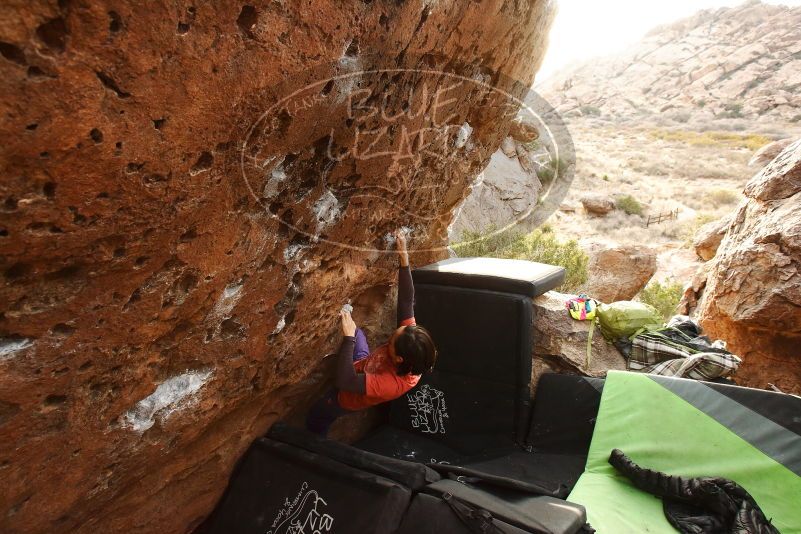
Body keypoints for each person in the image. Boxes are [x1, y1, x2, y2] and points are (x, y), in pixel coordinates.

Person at [305, 230, 437, 436]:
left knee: (319, 414)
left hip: (347, 395)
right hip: (366, 364)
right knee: (358, 333)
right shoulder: (411, 340)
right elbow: (406, 301)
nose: (390, 338)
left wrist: (348, 339)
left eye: (391, 342)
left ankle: (313, 445)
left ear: (399, 359)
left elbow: (345, 381)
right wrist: (404, 258)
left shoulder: (392, 384)